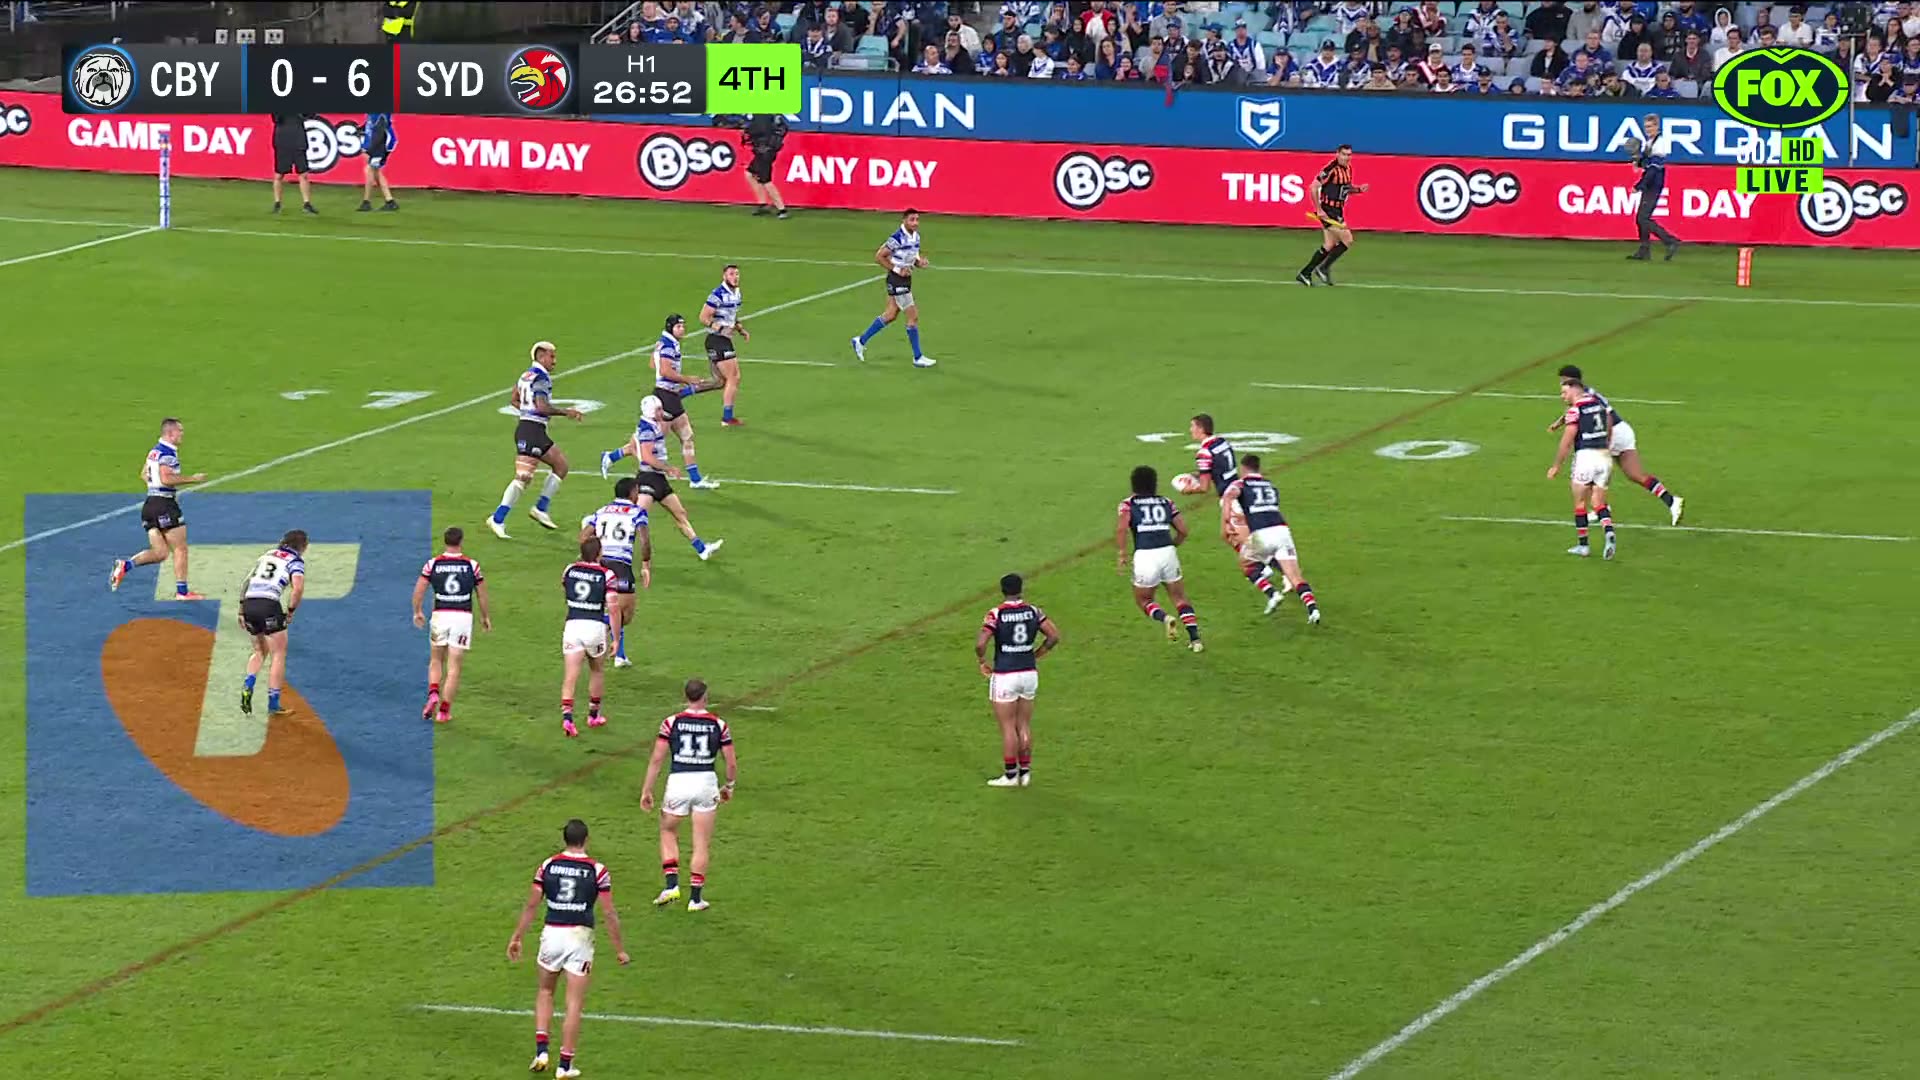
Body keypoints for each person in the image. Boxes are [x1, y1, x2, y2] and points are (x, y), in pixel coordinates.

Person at [507, 818, 629, 1079]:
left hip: (552, 934)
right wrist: (619, 949)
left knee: (545, 991)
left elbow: (531, 905)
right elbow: (609, 912)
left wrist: (517, 936)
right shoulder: (597, 870)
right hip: (580, 937)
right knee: (574, 1003)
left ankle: (541, 1052)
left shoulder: (547, 866)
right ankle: (565, 1065)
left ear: (565, 839)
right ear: (586, 839)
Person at [640, 678, 738, 912]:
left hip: (679, 781)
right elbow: (731, 762)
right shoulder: (719, 724)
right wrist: (729, 786)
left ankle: (671, 885)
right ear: (705, 696)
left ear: (685, 696)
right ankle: (695, 899)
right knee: (701, 843)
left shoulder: (671, 722)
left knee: (668, 830)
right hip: (706, 782)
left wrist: (647, 789)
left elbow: (657, 759)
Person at [1550, 365, 1685, 525]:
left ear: (1571, 381)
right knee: (1634, 474)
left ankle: (1600, 508)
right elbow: (1575, 411)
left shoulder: (1584, 397)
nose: (1561, 385)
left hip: (1611, 432)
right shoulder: (1586, 394)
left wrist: (1606, 441)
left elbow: (1603, 416)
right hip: (1623, 430)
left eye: (1563, 381)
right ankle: (1671, 501)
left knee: (1586, 467)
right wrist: (1559, 423)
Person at [602, 396, 723, 561]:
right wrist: (668, 468)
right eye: (658, 409)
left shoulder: (650, 424)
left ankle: (702, 549)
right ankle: (604, 546)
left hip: (658, 479)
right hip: (648, 479)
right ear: (651, 412)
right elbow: (647, 457)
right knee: (634, 519)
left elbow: (634, 447)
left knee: (680, 513)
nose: (661, 412)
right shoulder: (647, 430)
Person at [491, 341, 584, 540]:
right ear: (541, 356)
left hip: (534, 430)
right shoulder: (541, 378)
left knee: (561, 466)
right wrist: (565, 412)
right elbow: (542, 407)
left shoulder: (526, 375)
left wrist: (527, 411)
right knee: (523, 477)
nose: (555, 361)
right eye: (552, 356)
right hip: (530, 431)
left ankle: (540, 508)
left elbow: (514, 399)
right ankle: (497, 519)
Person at [975, 573, 1060, 787]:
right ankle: (1025, 773)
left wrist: (982, 660)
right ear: (1021, 589)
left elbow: (981, 643)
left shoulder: (996, 613)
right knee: (1023, 725)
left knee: (1008, 727)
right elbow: (1053, 636)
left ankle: (1011, 776)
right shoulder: (1034, 611)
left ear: (1002, 590)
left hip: (1005, 674)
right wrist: (1037, 654)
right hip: (1029, 673)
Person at [110, 417, 207, 598]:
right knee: (180, 548)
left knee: (160, 553)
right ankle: (182, 592)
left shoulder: (154, 452)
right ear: (170, 433)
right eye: (180, 431)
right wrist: (193, 479)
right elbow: (166, 478)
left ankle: (125, 565)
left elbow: (143, 474)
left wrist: (155, 489)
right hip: (164, 505)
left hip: (150, 505)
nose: (182, 434)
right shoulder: (168, 453)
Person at [1220, 455, 1321, 624]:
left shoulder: (1241, 484)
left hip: (1261, 534)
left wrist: (1226, 522)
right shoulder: (1270, 485)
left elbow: (1229, 495)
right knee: (1295, 577)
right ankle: (1313, 610)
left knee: (1246, 565)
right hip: (1282, 531)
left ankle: (1272, 593)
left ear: (1243, 468)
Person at [1116, 465, 1204, 653]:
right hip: (1168, 552)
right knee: (1179, 598)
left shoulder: (1128, 504)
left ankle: (1165, 618)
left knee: (1144, 600)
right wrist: (1173, 545)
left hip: (1145, 555)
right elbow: (1183, 530)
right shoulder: (1166, 502)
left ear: (1133, 484)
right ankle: (1195, 639)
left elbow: (1122, 528)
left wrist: (1122, 553)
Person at [412, 526, 491, 724]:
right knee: (454, 666)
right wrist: (485, 617)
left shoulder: (433, 564)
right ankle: (444, 711)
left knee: (436, 659)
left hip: (440, 615)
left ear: (445, 541)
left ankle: (433, 692)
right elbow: (481, 594)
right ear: (461, 541)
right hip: (462, 617)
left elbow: (420, 589)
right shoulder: (472, 565)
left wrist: (418, 611)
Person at [580, 479, 651, 670]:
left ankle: (620, 655)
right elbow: (644, 540)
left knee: (612, 608)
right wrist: (645, 564)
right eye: (637, 491)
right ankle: (595, 635)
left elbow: (584, 536)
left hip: (600, 564)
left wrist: (590, 559)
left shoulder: (602, 511)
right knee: (625, 615)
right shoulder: (637, 512)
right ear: (632, 492)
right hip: (620, 567)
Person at [851, 208, 934, 368]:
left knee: (890, 315)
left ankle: (860, 341)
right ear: (904, 221)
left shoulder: (916, 236)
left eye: (917, 220)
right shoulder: (897, 238)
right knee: (913, 317)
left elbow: (913, 256)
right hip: (897, 281)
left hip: (905, 279)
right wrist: (897, 270)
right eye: (912, 220)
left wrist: (919, 262)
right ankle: (918, 357)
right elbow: (879, 256)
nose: (915, 223)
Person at [1546, 374, 1617, 559]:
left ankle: (1583, 546)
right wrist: (1607, 443)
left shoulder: (1575, 410)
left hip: (1586, 458)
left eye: (1564, 392)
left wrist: (1556, 465)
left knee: (1580, 503)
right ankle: (1608, 531)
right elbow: (1610, 422)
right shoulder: (1598, 403)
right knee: (1598, 502)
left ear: (1574, 389)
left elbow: (1567, 441)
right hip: (1604, 457)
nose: (1562, 396)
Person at [238, 529, 308, 717]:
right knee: (278, 654)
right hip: (269, 605)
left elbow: (246, 582)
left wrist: (241, 609)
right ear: (303, 546)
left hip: (249, 603)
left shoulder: (267, 555)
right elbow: (297, 588)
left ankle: (248, 684)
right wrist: (290, 611)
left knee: (259, 651)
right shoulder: (295, 561)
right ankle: (273, 704)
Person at [647, 314, 720, 489]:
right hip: (666, 397)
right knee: (654, 440)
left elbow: (653, 365)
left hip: (669, 395)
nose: (683, 329)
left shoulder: (665, 342)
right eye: (678, 327)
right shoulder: (668, 345)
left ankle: (695, 479)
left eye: (683, 326)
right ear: (670, 328)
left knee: (686, 437)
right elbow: (665, 371)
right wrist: (687, 379)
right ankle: (617, 457)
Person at [559, 537, 619, 736]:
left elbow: (565, 587)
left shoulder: (569, 569)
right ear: (599, 553)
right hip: (594, 626)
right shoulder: (607, 575)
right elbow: (613, 608)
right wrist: (616, 638)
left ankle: (567, 719)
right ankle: (593, 715)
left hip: (573, 625)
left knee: (570, 675)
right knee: (597, 670)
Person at [1297, 144, 1368, 286]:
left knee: (1329, 245)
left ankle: (1305, 273)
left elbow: (1345, 189)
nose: (1347, 157)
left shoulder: (1348, 169)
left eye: (1349, 155)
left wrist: (1358, 190)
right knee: (1347, 239)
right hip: (1328, 211)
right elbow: (1313, 187)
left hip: (1338, 211)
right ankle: (1323, 268)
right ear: (1337, 154)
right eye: (1344, 154)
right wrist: (1319, 210)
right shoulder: (1331, 170)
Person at [699, 264, 749, 426]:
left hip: (723, 340)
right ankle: (727, 418)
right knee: (733, 377)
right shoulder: (717, 294)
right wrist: (721, 329)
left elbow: (732, 316)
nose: (735, 277)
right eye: (731, 274)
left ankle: (681, 393)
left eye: (737, 274)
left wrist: (740, 330)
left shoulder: (737, 293)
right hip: (716, 339)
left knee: (720, 382)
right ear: (724, 276)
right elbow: (703, 317)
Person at [1626, 114, 1680, 260]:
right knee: (1641, 218)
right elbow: (1646, 163)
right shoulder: (1650, 142)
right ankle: (1645, 250)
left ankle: (1670, 241)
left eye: (1650, 126)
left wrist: (1639, 185)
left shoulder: (1659, 144)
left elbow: (1654, 169)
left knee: (1643, 218)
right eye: (1646, 127)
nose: (1648, 129)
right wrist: (1638, 161)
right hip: (1651, 184)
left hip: (1654, 184)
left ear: (1657, 126)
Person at [742, 113, 789, 218]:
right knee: (750, 174)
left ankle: (782, 209)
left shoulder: (762, 116)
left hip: (765, 152)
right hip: (763, 151)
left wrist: (747, 129)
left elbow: (757, 130)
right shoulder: (770, 115)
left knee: (765, 181)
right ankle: (762, 204)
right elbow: (782, 128)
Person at [269, 112, 316, 214]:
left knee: (303, 174)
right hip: (282, 141)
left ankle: (307, 203)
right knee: (279, 175)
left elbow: (310, 115)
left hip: (298, 141)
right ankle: (277, 203)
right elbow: (276, 118)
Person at [358, 111, 398, 213]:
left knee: (370, 169)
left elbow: (380, 129)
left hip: (381, 143)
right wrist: (362, 128)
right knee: (375, 171)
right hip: (379, 142)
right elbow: (372, 124)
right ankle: (390, 201)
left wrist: (370, 150)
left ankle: (366, 202)